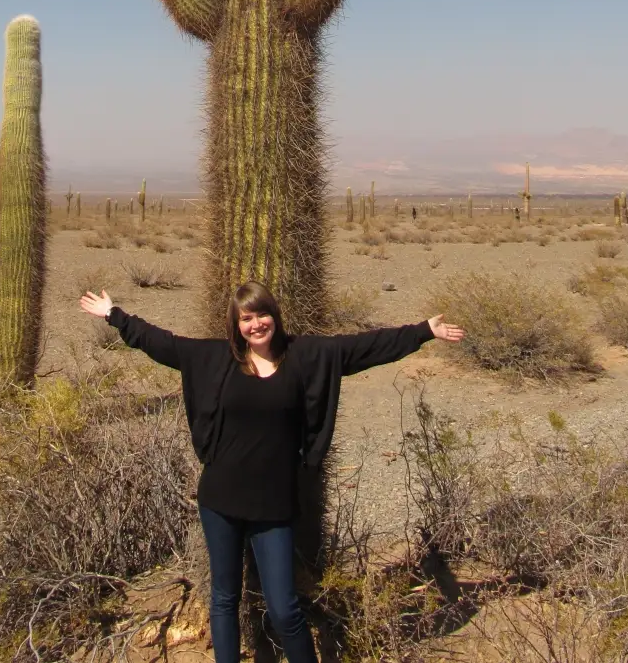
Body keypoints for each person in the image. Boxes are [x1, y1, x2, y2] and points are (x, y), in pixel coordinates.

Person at [80, 280, 465, 663]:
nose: (256, 324)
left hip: (274, 505)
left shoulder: (307, 355)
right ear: (236, 325)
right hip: (220, 500)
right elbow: (162, 343)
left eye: (262, 314)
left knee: (284, 609)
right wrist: (115, 315)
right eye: (247, 318)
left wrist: (423, 332)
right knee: (225, 599)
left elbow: (364, 347)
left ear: (275, 317)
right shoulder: (216, 358)